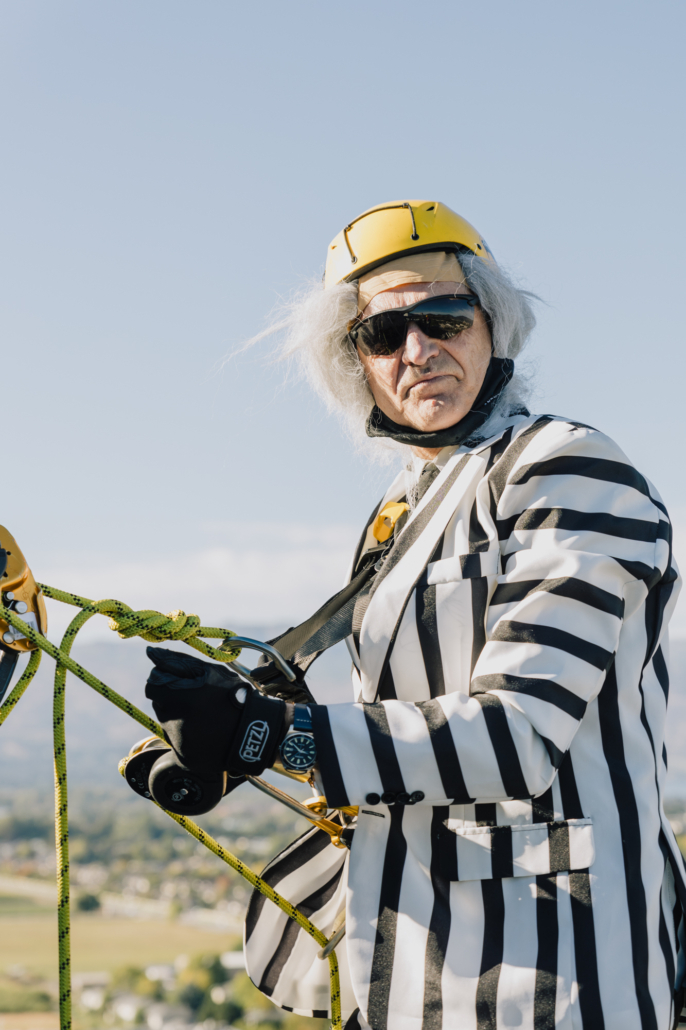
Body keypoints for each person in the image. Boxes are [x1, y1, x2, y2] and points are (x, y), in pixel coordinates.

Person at [144, 201, 686, 1030]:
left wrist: (273, 735)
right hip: (409, 964)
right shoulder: (399, 510)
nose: (418, 350)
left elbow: (518, 736)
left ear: (493, 325)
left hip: (560, 976)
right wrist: (227, 741)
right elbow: (396, 729)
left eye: (444, 318)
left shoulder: (570, 470)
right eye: (383, 334)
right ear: (356, 363)